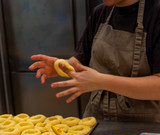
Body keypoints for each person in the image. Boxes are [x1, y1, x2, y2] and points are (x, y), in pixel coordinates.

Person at [29, 0, 160, 122]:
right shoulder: (100, 12)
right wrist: (63, 66)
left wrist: (100, 81)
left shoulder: (155, 14)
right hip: (97, 120)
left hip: (144, 126)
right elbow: (80, 60)